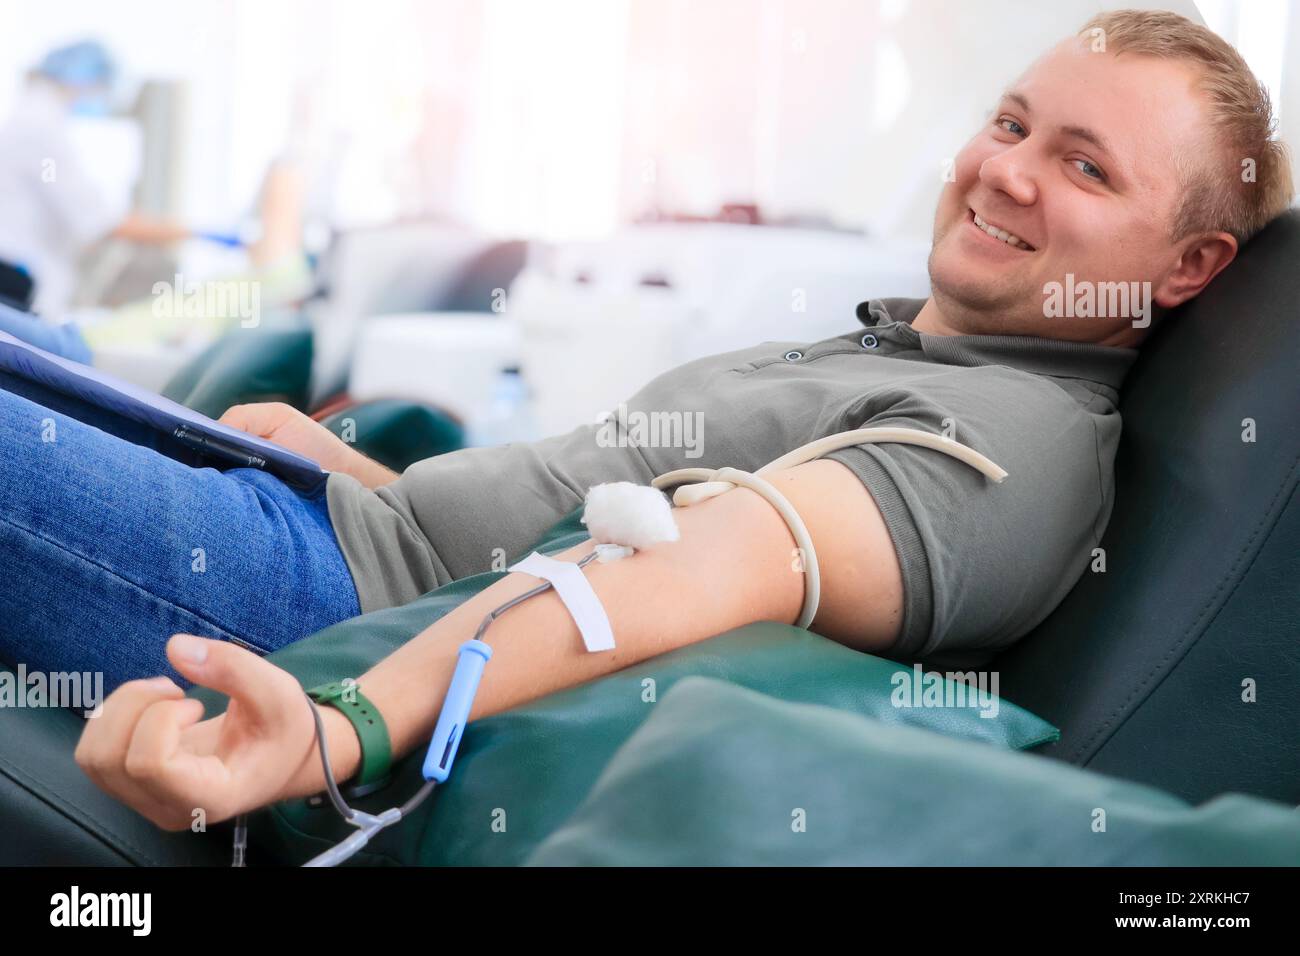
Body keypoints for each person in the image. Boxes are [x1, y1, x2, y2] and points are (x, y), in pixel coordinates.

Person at [0, 10, 1290, 831]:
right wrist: (354, 470)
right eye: (1011, 122)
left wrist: (346, 722)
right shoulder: (908, 342)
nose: (1004, 167)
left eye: (1084, 164)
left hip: (318, 612)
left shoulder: (1022, 445)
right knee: (38, 352)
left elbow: (695, 565)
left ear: (1185, 268)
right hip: (334, 526)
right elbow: (575, 501)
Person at [0, 41, 194, 321]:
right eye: (102, 86)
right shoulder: (39, 127)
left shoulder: (34, 120)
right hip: (16, 275)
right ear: (82, 78)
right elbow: (100, 219)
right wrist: (196, 232)